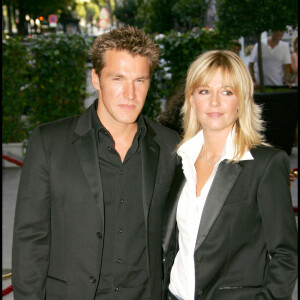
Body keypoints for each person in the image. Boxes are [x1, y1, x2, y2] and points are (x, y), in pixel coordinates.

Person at [12, 25, 181, 300]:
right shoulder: (49, 142)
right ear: (96, 78)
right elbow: (30, 241)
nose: (130, 93)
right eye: (118, 79)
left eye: (140, 80)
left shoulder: (169, 145)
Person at [162, 50, 298, 300]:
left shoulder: (265, 165)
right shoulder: (178, 160)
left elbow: (286, 255)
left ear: (242, 100)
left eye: (227, 92)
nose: (214, 102)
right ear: (191, 99)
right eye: (204, 91)